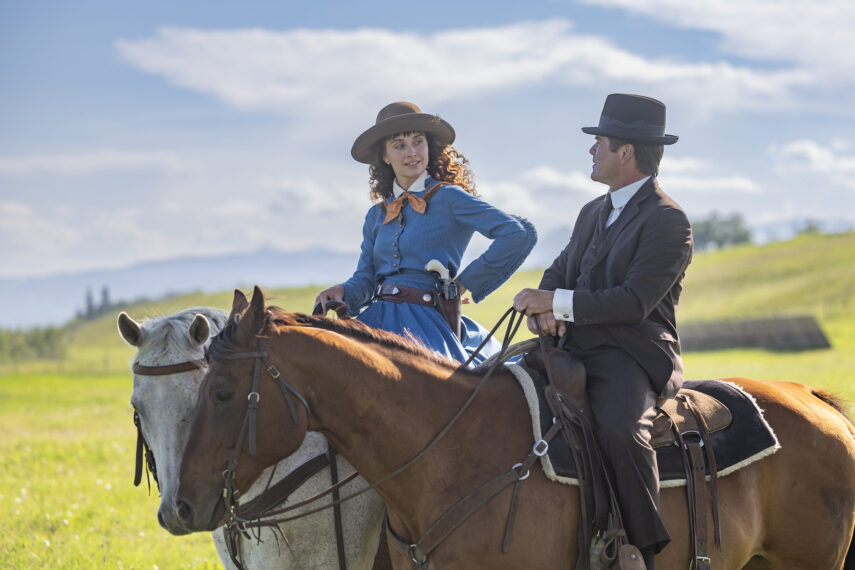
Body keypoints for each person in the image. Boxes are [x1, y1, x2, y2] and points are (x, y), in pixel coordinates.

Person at [513, 93, 693, 567]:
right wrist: (544, 304)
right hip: (573, 345)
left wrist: (558, 303)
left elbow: (634, 302)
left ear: (625, 152)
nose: (591, 151)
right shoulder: (592, 211)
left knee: (621, 432)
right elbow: (560, 270)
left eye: (600, 143)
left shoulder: (668, 220)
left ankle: (640, 549)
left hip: (630, 354)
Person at [316, 101, 537, 366]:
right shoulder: (376, 214)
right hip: (376, 320)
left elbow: (518, 234)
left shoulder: (450, 198)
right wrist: (341, 291)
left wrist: (463, 283)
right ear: (384, 156)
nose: (412, 152)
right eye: (399, 145)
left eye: (418, 142)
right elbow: (366, 279)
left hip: (428, 323)